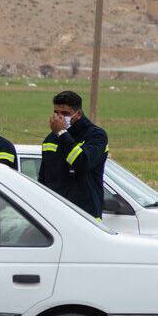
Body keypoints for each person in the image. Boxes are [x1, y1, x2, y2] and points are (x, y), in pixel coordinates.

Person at [37, 90, 109, 219]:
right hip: (56, 215)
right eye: (56, 113)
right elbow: (44, 178)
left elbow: (82, 163)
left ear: (78, 114)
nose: (59, 118)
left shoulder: (96, 136)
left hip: (86, 217)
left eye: (65, 113)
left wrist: (62, 133)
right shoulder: (50, 139)